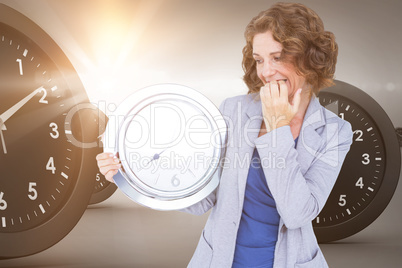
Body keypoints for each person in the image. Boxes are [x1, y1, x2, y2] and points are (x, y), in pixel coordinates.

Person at [96, 2, 353, 267]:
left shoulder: (334, 132)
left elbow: (298, 214)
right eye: (259, 60)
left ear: (309, 58)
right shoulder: (234, 110)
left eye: (277, 57)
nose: (266, 71)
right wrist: (128, 172)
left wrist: (277, 129)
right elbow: (203, 197)